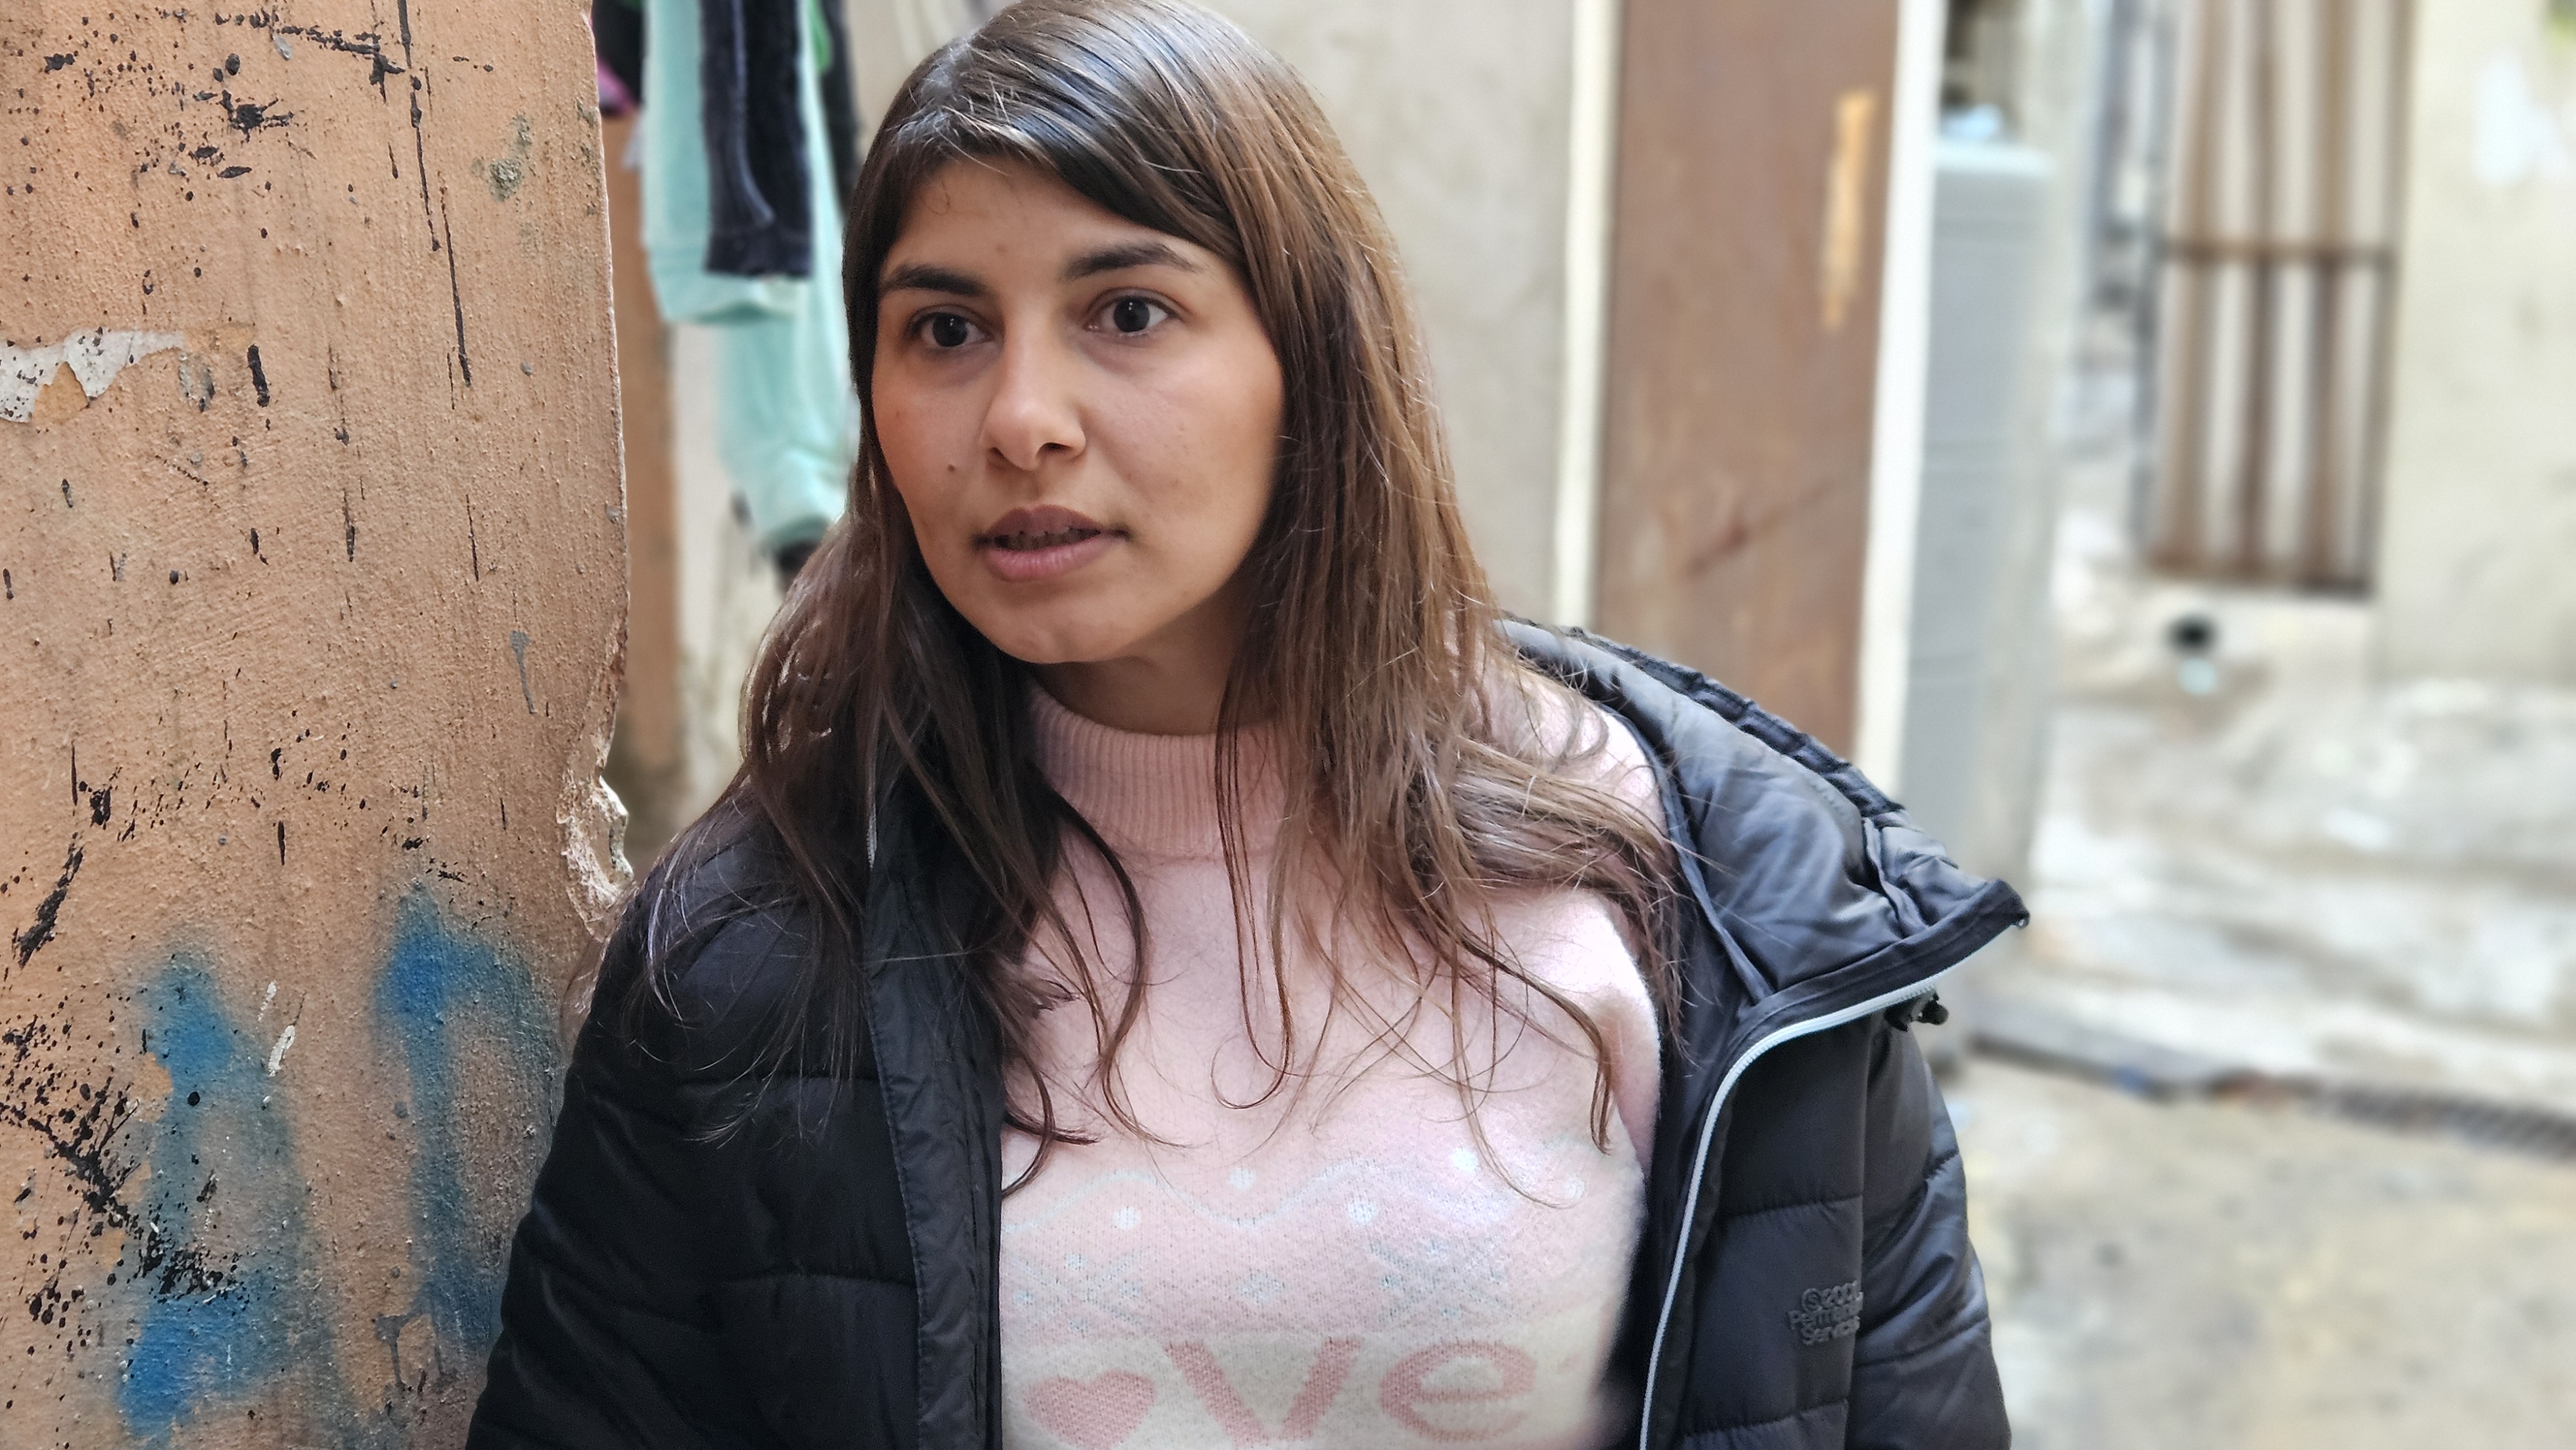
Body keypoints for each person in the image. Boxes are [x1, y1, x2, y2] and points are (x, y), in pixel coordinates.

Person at [469, 1, 2022, 1445]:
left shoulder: (1720, 893)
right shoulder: (752, 944)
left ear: (1311, 361)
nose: (1021, 419)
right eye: (943, 329)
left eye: (1127, 311)